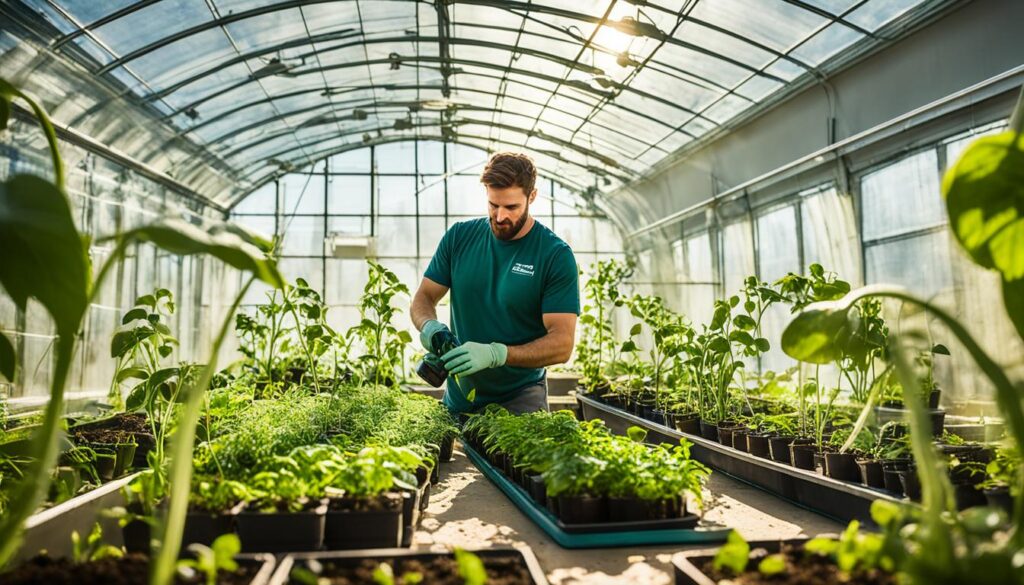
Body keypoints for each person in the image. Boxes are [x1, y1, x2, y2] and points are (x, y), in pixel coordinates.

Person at [410, 152, 579, 415]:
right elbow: (424, 298)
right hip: (459, 399)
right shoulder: (459, 238)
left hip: (520, 402)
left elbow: (562, 343)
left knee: (521, 458)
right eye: (493, 205)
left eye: (511, 207)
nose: (500, 217)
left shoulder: (554, 255)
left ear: (531, 197)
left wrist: (497, 354)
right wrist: (429, 326)